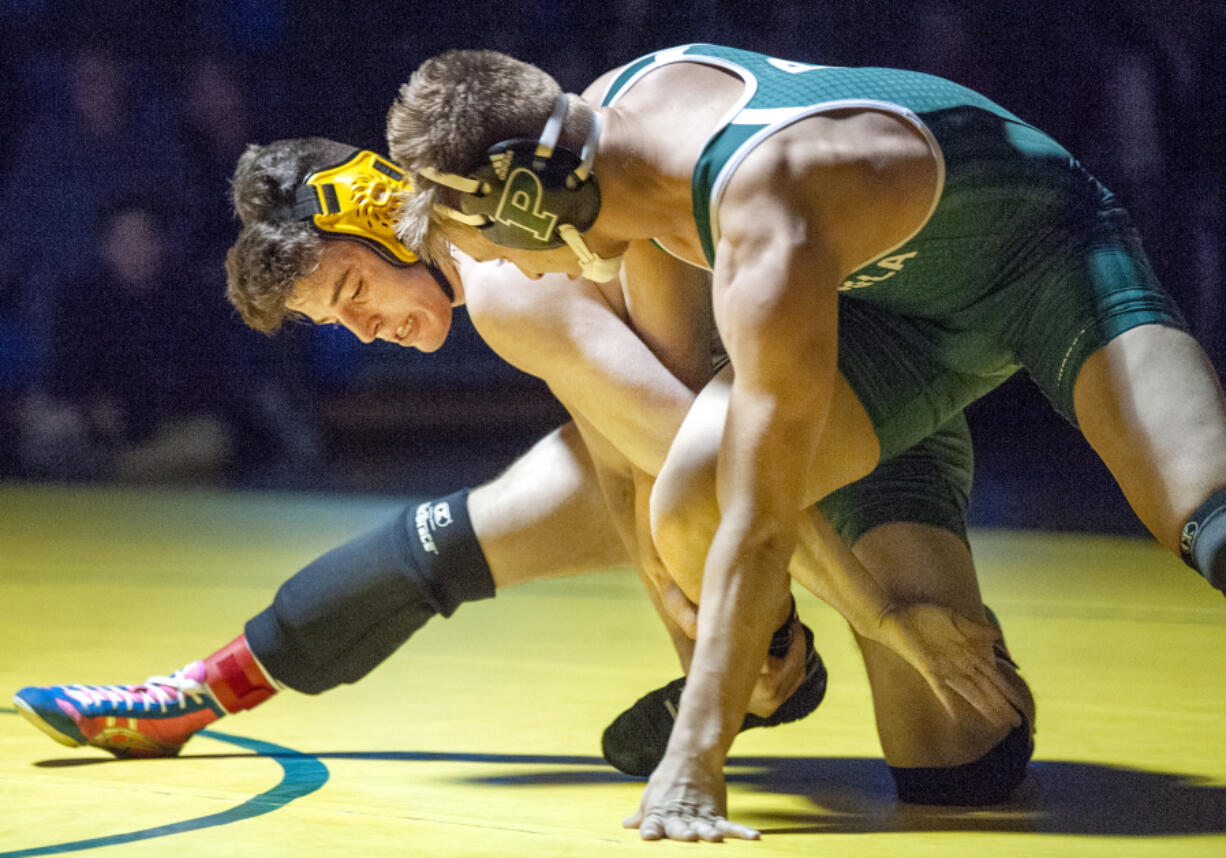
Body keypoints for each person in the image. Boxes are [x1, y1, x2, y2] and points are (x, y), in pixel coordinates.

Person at [14, 138, 1028, 820]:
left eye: (356, 292)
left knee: (961, 758)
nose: (366, 330)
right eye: (339, 322)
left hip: (864, 406)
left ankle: (832, 631)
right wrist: (707, 645)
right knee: (457, 538)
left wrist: (872, 623)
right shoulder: (488, 241)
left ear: (383, 218)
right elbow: (627, 456)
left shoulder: (505, 282)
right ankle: (188, 696)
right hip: (716, 431)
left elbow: (737, 479)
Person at [385, 45, 1226, 841]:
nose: (520, 272)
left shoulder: (761, 210)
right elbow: (679, 449)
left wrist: (695, 762)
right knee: (697, 505)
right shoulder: (613, 147)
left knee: (1201, 510)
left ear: (533, 201)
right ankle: (816, 647)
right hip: (878, 329)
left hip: (1044, 256)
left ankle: (873, 605)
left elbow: (764, 517)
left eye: (492, 246)